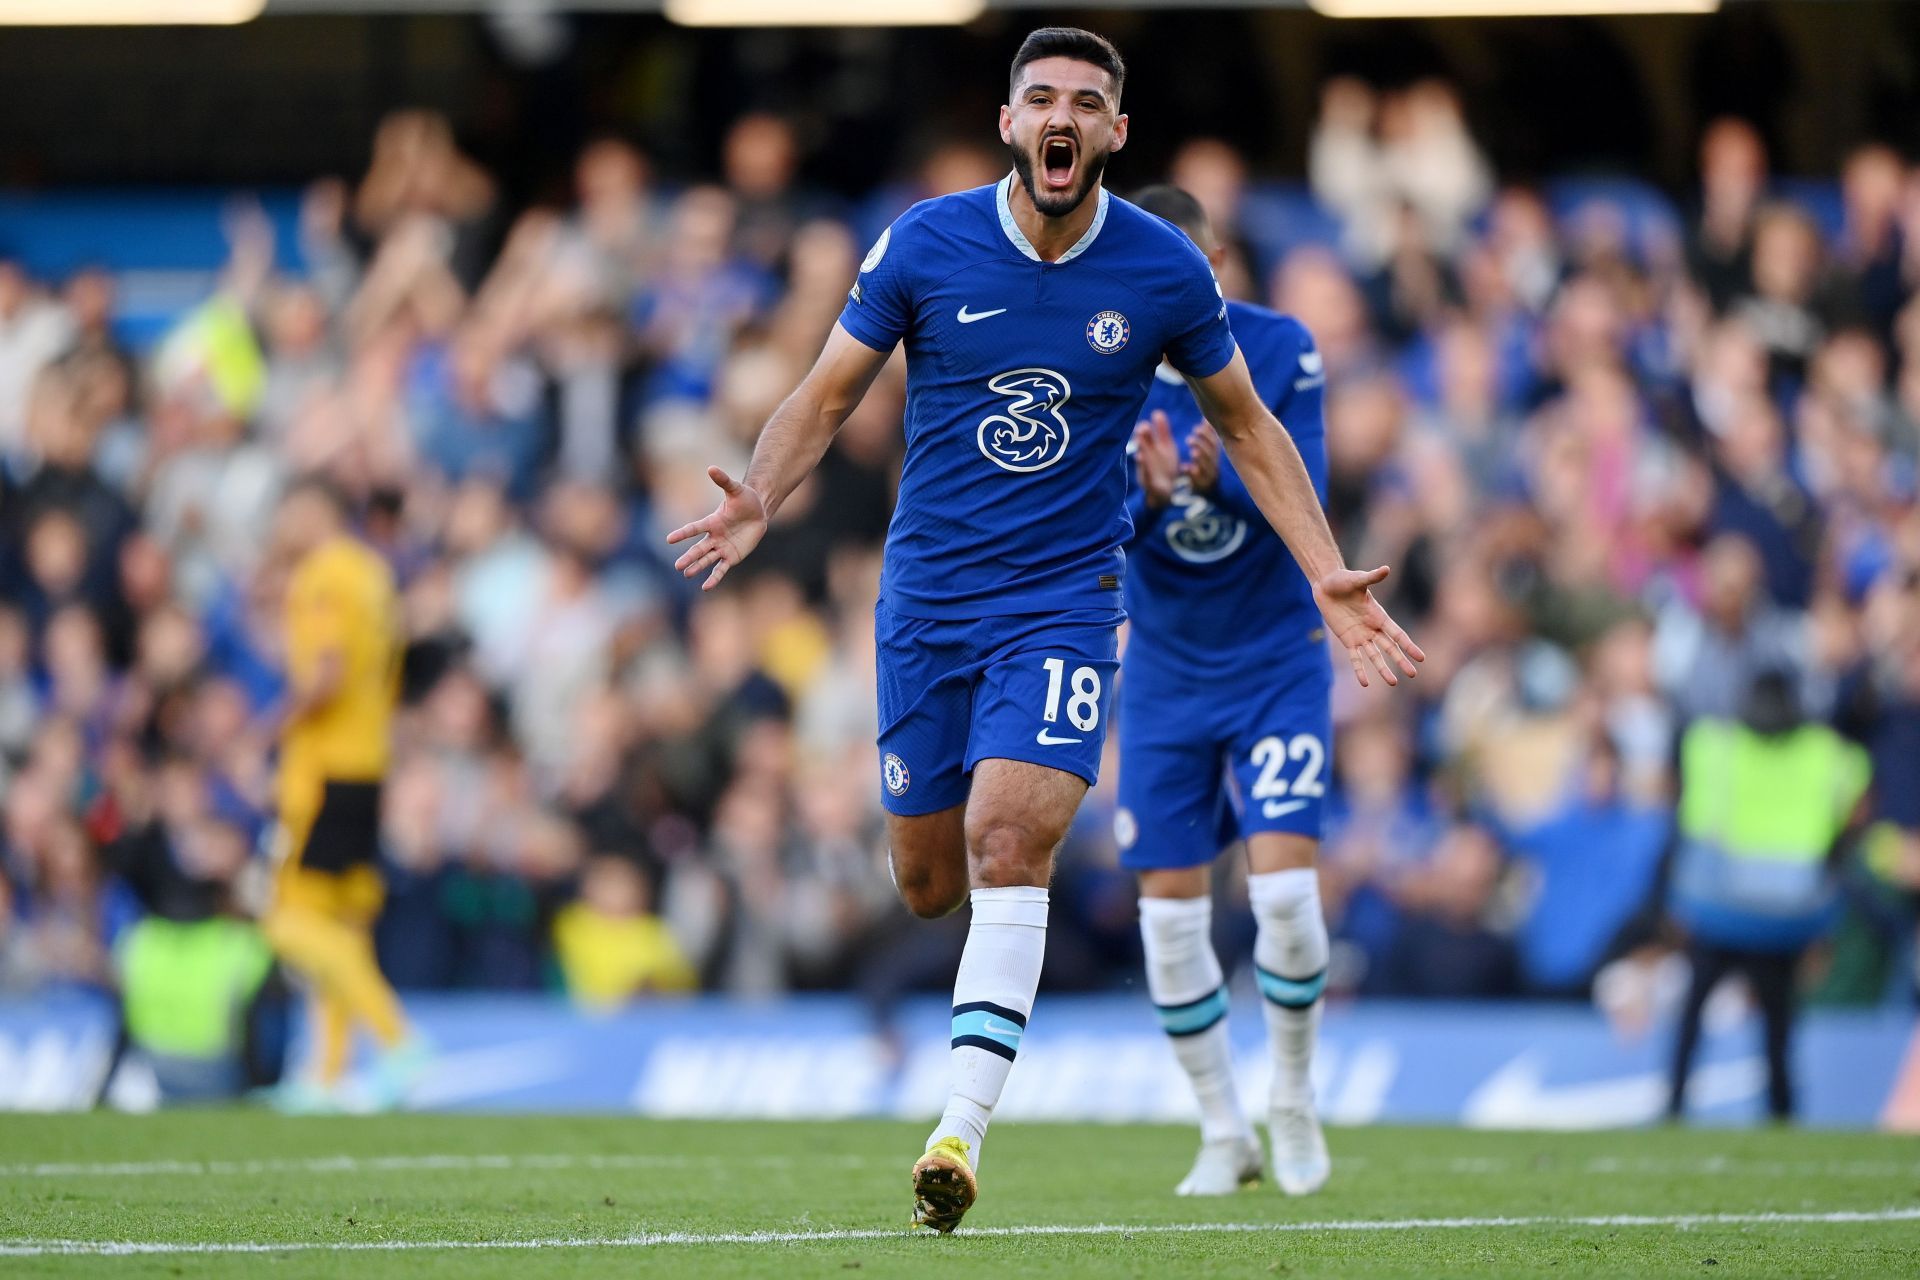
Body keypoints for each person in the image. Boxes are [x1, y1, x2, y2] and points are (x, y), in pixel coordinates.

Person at [668, 27, 1422, 1233]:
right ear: (1012, 122)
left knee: (1007, 840)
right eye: (1040, 99)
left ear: (1115, 132)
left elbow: (1247, 427)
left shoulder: (1165, 269)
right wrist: (763, 491)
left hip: (1066, 604)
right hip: (925, 603)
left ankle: (959, 1132)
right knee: (926, 880)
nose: (1060, 117)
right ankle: (1154, 1098)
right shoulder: (926, 240)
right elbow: (824, 393)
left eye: (1086, 102)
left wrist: (1325, 567)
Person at [1114, 183, 1333, 1197]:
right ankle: (1221, 1123)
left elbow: (1306, 489)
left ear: (1216, 266)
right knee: (1168, 912)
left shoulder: (1281, 347)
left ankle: (1292, 1093)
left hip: (1272, 655)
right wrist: (1152, 500)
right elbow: (1088, 522)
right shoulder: (1101, 364)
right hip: (1164, 667)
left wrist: (1217, 480)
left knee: (1285, 891)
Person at [261, 477, 427, 1111]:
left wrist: (263, 731)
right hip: (369, 763)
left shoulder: (324, 575)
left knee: (288, 920)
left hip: (324, 770)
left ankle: (398, 1038)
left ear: (312, 510)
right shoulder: (374, 575)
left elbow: (326, 673)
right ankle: (326, 1077)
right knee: (343, 926)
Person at [1665, 667, 1870, 1122]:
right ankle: (1781, 1113)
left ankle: (1674, 1106)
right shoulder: (1828, 753)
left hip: (1719, 907)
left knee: (1693, 1018)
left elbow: (1684, 818)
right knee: (1778, 1026)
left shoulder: (1713, 745)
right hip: (1786, 913)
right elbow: (1856, 799)